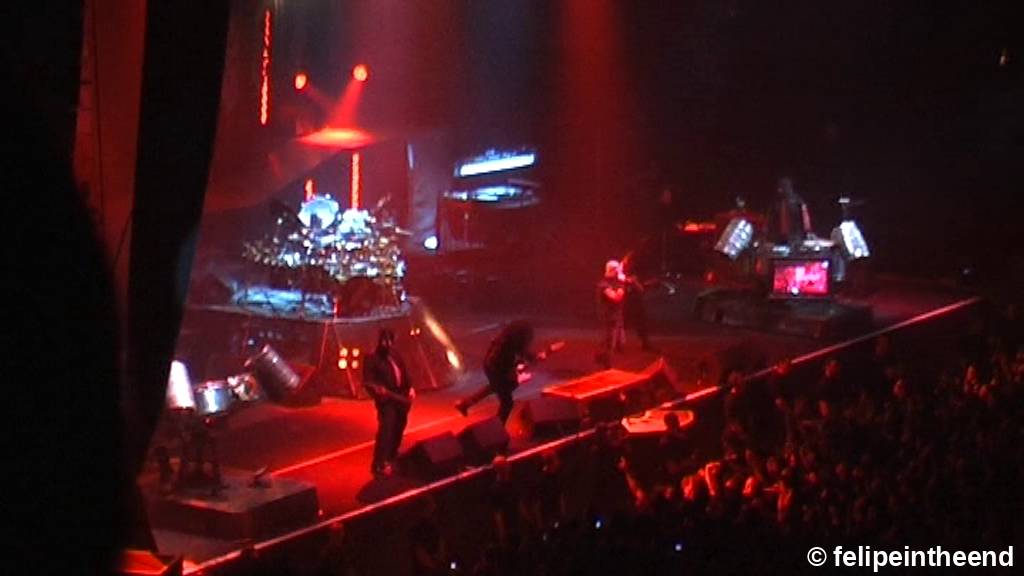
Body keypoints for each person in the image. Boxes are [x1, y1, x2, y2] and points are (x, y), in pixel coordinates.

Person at [455, 321, 545, 424]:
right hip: (496, 369)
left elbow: (520, 355)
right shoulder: (507, 349)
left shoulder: (505, 341)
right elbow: (509, 369)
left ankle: (465, 404)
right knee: (507, 402)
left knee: (495, 386)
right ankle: (498, 427)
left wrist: (530, 359)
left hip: (491, 367)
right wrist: (522, 371)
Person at [363, 328, 415, 476]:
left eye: (389, 341)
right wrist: (378, 393)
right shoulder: (372, 358)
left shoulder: (395, 354)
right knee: (386, 430)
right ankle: (380, 462)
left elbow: (404, 372)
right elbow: (368, 381)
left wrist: (410, 387)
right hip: (387, 401)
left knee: (399, 427)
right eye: (384, 341)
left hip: (401, 397)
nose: (386, 344)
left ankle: (392, 456)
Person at [596, 260, 627, 368]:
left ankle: (600, 357)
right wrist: (622, 283)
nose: (618, 273)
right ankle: (606, 364)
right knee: (609, 343)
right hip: (609, 317)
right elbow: (616, 298)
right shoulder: (603, 285)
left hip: (617, 317)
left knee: (619, 342)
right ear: (612, 270)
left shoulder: (613, 283)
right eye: (616, 271)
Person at [767, 177, 813, 245]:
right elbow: (771, 218)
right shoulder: (777, 202)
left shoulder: (798, 201)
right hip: (779, 236)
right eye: (780, 187)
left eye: (783, 186)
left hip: (795, 236)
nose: (780, 190)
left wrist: (808, 231)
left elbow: (805, 218)